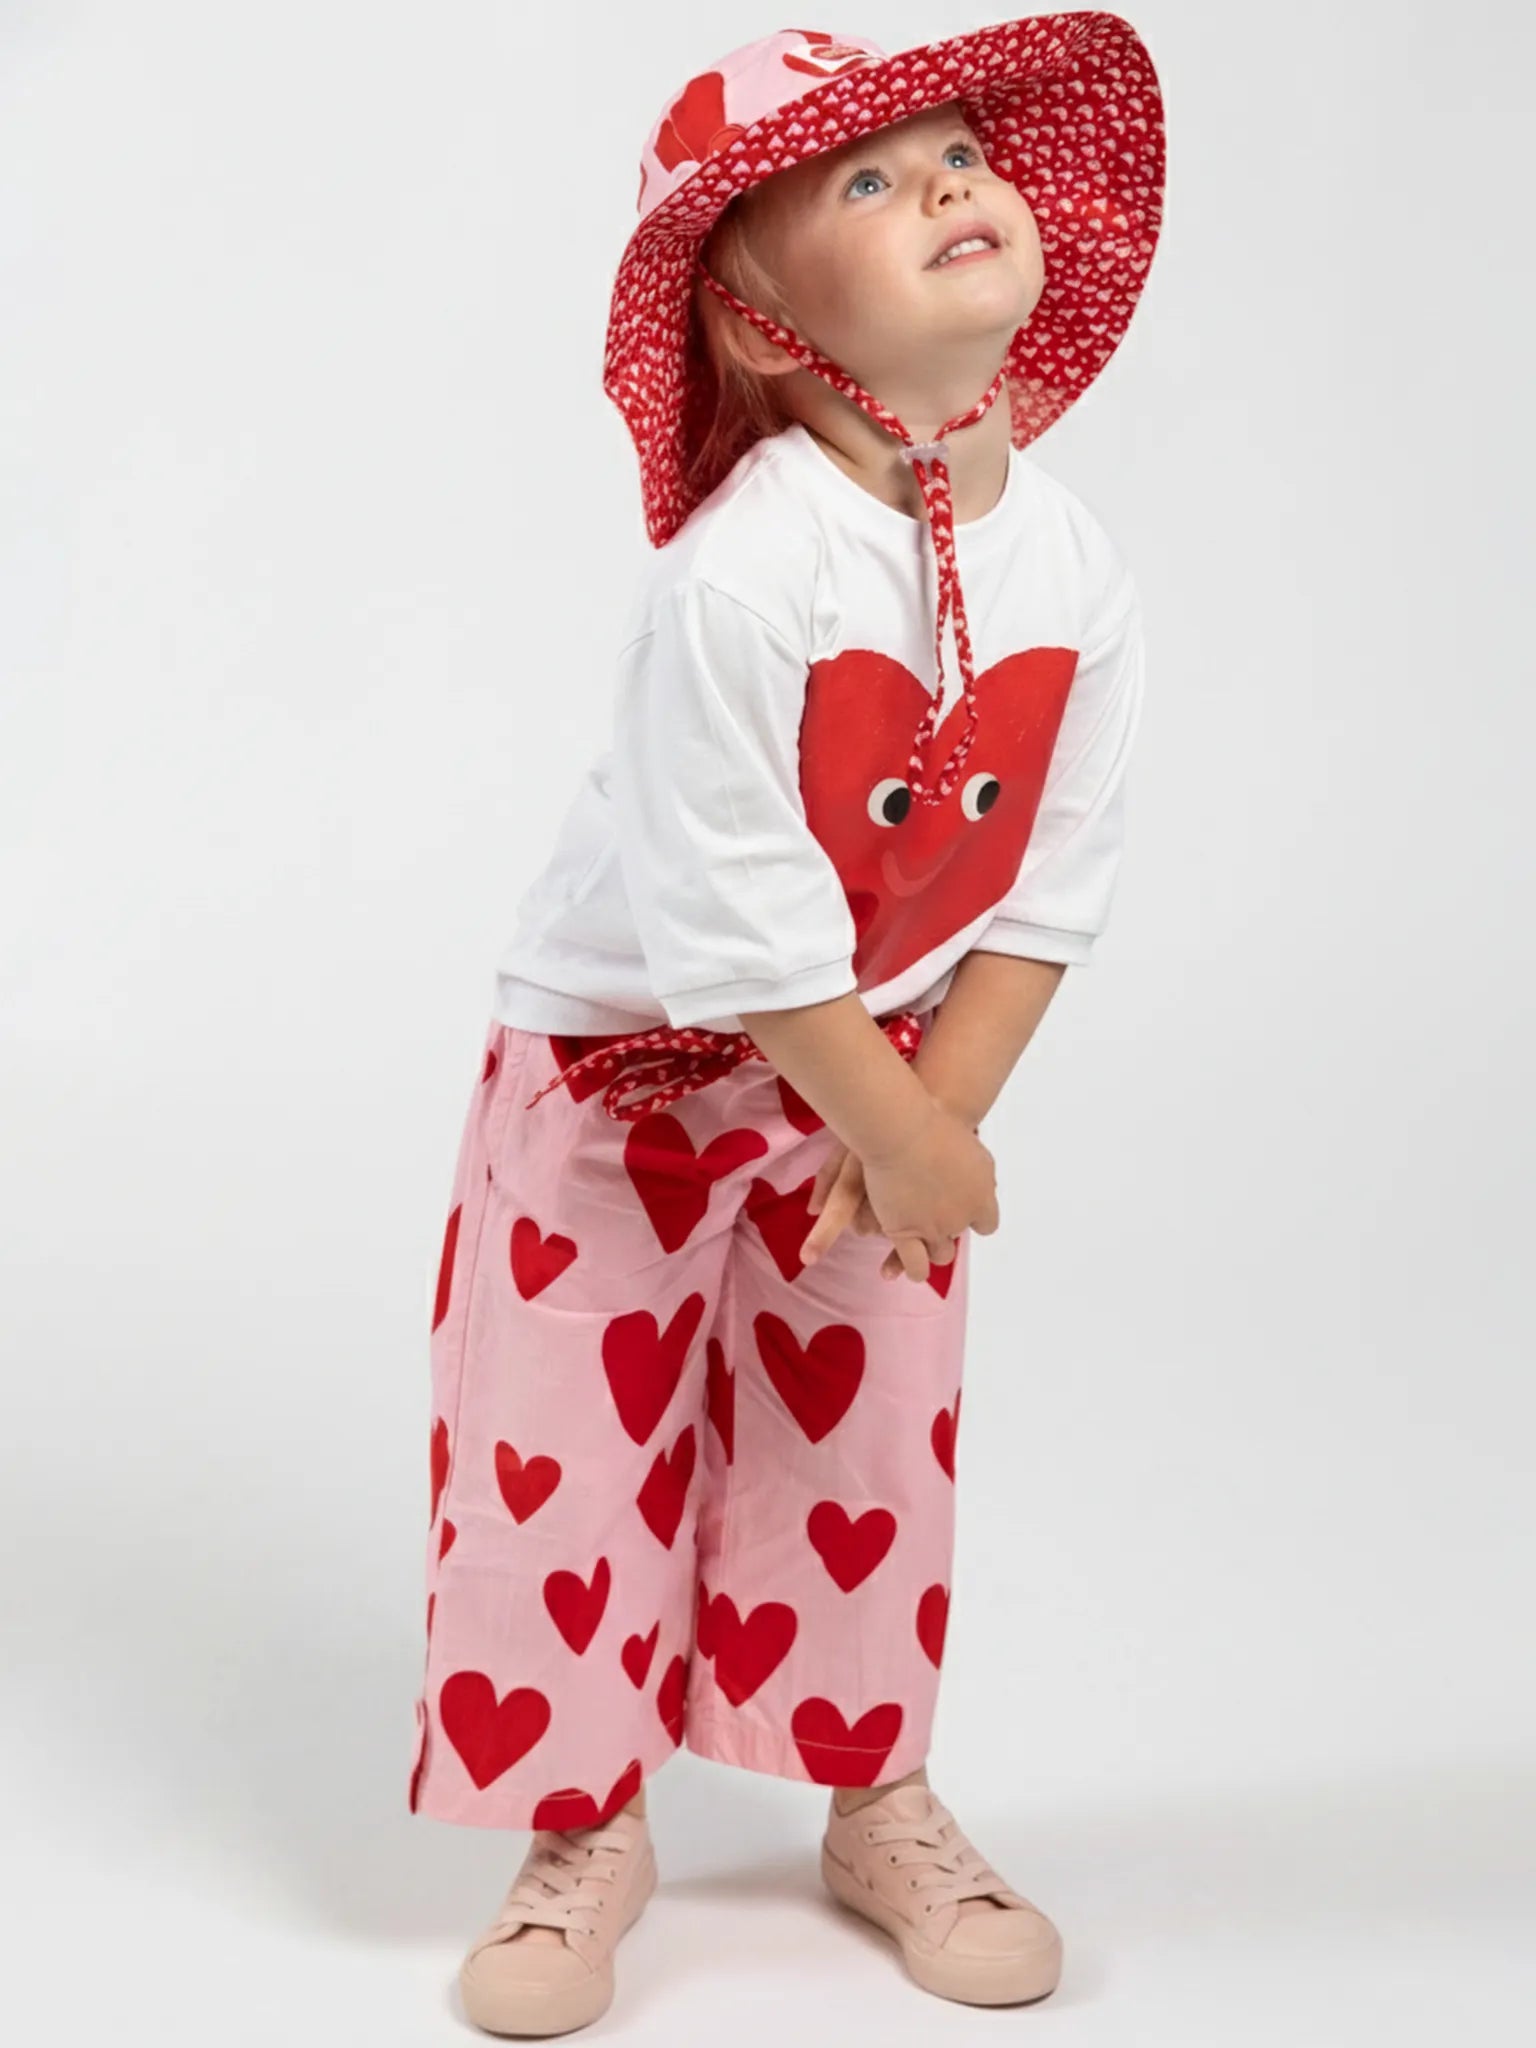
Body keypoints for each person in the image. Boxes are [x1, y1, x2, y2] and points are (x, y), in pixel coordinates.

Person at [408, 16, 1165, 2035]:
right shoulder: (742, 581)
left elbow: (1052, 881)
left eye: (949, 154)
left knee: (862, 1426)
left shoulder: (1073, 564)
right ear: (758, 328)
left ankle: (871, 1789)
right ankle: (583, 1816)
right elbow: (732, 921)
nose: (940, 184)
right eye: (864, 179)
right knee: (570, 1438)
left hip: (888, 1074)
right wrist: (908, 1132)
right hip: (625, 1071)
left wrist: (934, 1118)